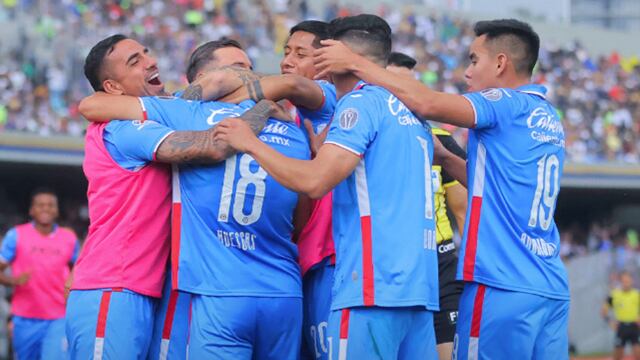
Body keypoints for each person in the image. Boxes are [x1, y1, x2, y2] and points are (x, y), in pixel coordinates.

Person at [314, 18, 569, 359]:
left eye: (474, 60)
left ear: (500, 63)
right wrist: (447, 159)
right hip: (549, 284)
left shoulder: (503, 102)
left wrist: (355, 62)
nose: (467, 72)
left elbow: (428, 104)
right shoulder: (548, 117)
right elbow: (497, 188)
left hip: (501, 283)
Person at [214, 14, 464, 359]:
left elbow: (316, 182)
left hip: (371, 290)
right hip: (419, 294)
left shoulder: (359, 105)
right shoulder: (411, 113)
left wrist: (251, 143)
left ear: (334, 54)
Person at [77, 41, 314, 359]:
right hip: (116, 284)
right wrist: (261, 108)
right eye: (136, 60)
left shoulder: (175, 112)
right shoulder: (124, 128)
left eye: (249, 71)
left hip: (160, 285)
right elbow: (212, 145)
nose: (150, 61)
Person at [386, 51, 468, 360]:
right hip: (391, 266)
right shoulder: (366, 137)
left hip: (441, 263)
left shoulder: (441, 140)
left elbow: (461, 210)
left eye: (410, 86)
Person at [281, 20, 337, 360]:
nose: (288, 61)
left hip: (329, 264)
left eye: (300, 54)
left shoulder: (329, 100)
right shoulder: (290, 115)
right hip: (298, 267)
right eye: (286, 52)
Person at [0, 188, 79, 360]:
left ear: (56, 210)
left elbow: (80, 270)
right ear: (32, 210)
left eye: (50, 205)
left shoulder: (69, 238)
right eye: (40, 205)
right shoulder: (16, 235)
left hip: (58, 317)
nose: (45, 209)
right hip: (24, 318)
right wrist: (13, 280)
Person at [601, 272, 640, 360]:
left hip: (634, 327)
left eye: (628, 281)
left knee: (638, 353)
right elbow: (603, 310)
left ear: (632, 281)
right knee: (617, 356)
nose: (626, 283)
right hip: (621, 327)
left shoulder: (637, 294)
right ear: (620, 282)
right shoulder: (614, 294)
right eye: (624, 281)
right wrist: (609, 321)